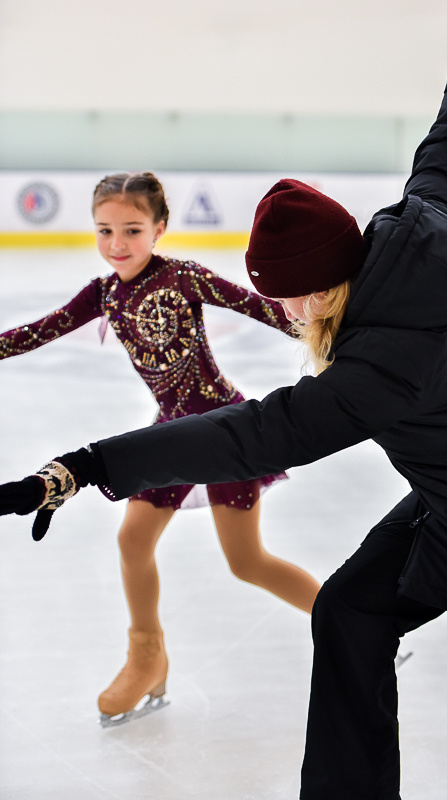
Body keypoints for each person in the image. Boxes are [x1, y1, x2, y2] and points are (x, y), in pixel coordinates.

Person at [0, 0, 447, 795]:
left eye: (283, 299)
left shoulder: (373, 377)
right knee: (350, 611)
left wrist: (86, 464)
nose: (279, 314)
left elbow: (246, 437)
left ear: (318, 292)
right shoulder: (423, 219)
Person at [0, 171, 321, 726]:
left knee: (247, 563)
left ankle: (355, 623)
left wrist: (342, 330)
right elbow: (39, 330)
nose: (116, 244)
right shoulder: (104, 293)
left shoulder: (184, 277)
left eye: (131, 229)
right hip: (170, 431)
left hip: (225, 432)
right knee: (132, 539)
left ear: (159, 228)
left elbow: (265, 309)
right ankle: (147, 656)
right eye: (104, 231)